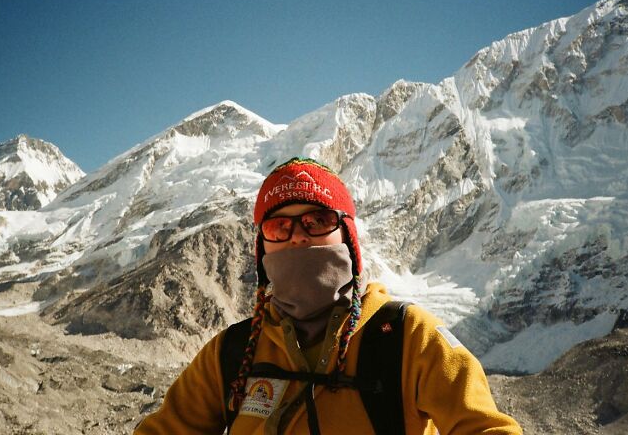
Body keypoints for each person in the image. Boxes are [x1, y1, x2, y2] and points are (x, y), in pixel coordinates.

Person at [134, 157, 522, 434]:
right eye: (278, 226)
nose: (298, 236)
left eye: (317, 221)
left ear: (348, 240)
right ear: (261, 248)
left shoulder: (408, 338)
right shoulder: (231, 354)